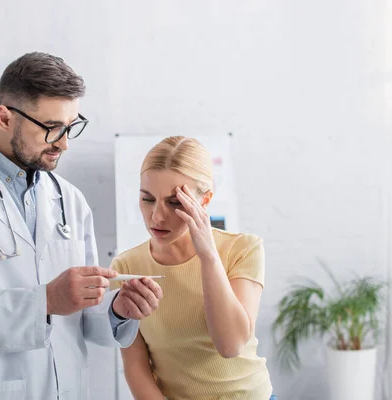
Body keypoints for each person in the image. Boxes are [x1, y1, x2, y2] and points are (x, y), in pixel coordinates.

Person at [0, 52, 162, 400]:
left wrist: (116, 310)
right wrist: (44, 302)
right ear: (4, 117)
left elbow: (80, 319)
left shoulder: (70, 200)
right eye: (52, 128)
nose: (64, 143)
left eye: (70, 127)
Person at [111, 136, 275, 400]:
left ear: (205, 201)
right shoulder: (127, 267)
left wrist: (208, 255)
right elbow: (135, 368)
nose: (157, 216)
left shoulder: (243, 249)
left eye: (175, 202)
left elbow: (230, 345)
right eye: (147, 199)